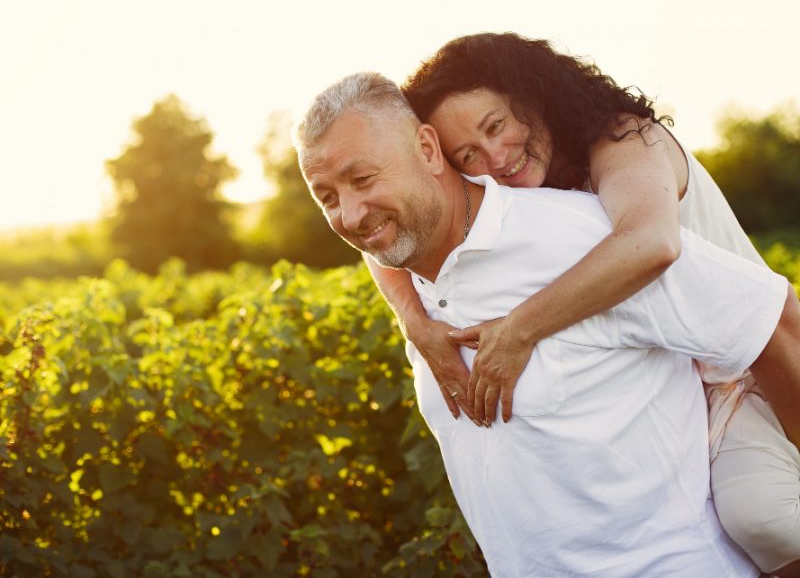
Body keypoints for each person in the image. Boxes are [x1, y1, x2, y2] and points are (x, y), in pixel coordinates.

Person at [292, 71, 800, 577]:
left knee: (765, 517)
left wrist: (522, 328)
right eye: (328, 197)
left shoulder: (588, 237)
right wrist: (411, 320)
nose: (351, 214)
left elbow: (772, 320)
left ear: (427, 151)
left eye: (363, 179)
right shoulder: (415, 281)